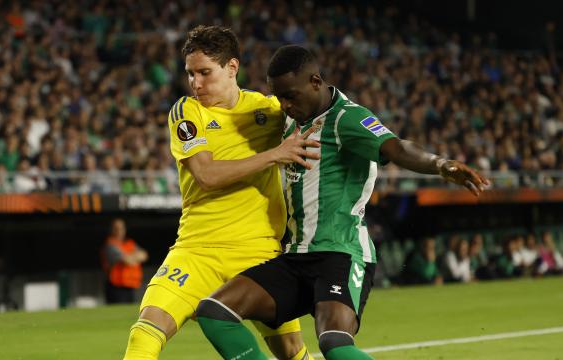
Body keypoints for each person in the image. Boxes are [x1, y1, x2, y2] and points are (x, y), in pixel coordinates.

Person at [196, 45, 489, 360]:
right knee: (215, 311)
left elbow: (397, 148)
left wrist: (440, 164)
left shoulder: (346, 118)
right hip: (296, 257)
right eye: (279, 96)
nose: (285, 104)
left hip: (341, 254)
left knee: (333, 343)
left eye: (291, 95)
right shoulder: (293, 120)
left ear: (316, 82)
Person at [123, 27, 318, 360]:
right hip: (197, 250)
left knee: (291, 351)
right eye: (190, 74)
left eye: (204, 73)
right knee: (144, 333)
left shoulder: (270, 111)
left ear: (232, 68)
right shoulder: (187, 112)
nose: (196, 83)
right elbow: (206, 176)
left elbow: (321, 120)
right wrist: (275, 154)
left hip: (260, 251)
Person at [101, 218, 148, 304]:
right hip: (116, 287)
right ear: (111, 230)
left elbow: (144, 255)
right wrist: (135, 257)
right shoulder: (110, 245)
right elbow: (127, 260)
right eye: (116, 228)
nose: (119, 231)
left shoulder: (130, 243)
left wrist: (132, 257)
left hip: (131, 285)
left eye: (121, 228)